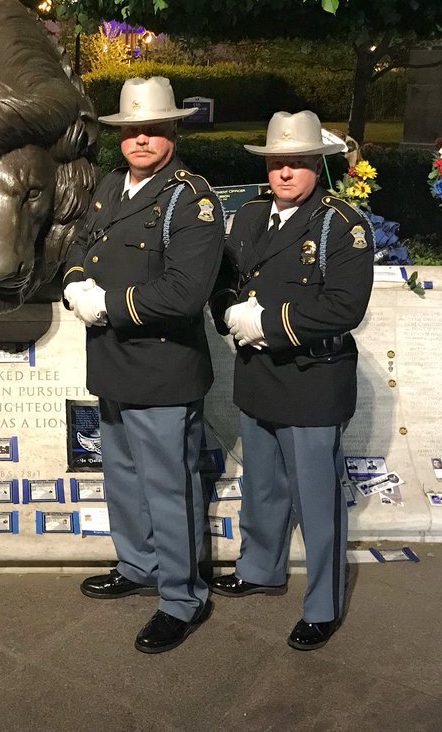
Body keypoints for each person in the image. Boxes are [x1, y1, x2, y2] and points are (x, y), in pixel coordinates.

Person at [63, 76, 224, 654]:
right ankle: (136, 565)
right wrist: (75, 283)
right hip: (111, 362)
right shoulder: (111, 186)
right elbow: (80, 246)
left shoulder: (191, 198)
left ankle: (181, 596)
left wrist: (106, 305)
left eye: (154, 129)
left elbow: (185, 292)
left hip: (162, 367)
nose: (142, 139)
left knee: (168, 485)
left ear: (173, 132)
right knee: (123, 477)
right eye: (133, 130)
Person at [211, 110, 373, 651]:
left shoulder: (340, 223)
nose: (285, 173)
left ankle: (323, 605)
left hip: (312, 378)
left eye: (298, 163)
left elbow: (345, 306)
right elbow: (224, 277)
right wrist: (230, 313)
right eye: (278, 162)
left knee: (316, 498)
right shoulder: (251, 216)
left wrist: (268, 323)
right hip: (259, 374)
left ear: (317, 165)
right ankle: (260, 568)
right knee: (262, 485)